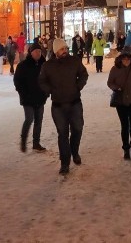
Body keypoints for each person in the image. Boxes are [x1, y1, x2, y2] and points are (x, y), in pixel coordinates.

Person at [38, 37, 89, 175]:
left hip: (75, 103)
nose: (65, 50)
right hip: (58, 105)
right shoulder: (48, 66)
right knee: (63, 134)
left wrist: (78, 86)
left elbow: (84, 74)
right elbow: (42, 81)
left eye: (65, 48)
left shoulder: (74, 61)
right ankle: (65, 163)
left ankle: (75, 151)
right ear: (55, 51)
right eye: (61, 49)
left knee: (78, 129)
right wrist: (50, 90)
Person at [107, 51, 131, 159]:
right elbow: (110, 82)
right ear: (120, 60)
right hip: (121, 102)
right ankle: (126, 149)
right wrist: (116, 88)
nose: (126, 61)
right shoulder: (115, 69)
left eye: (128, 59)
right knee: (125, 126)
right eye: (124, 59)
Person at [13, 42, 48, 152]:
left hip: (40, 97)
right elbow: (17, 81)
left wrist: (46, 93)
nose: (38, 53)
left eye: (39, 51)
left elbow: (48, 79)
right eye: (36, 51)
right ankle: (23, 141)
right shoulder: (23, 65)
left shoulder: (44, 65)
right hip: (27, 98)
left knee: (39, 120)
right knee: (29, 119)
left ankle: (36, 143)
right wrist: (23, 93)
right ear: (31, 52)